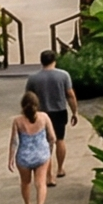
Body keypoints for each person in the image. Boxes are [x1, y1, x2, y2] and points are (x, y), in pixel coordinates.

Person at [23, 49, 81, 184]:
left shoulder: (33, 78)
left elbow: (28, 99)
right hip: (59, 111)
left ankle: (49, 176)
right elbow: (70, 95)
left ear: (41, 61)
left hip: (41, 113)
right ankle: (60, 168)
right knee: (60, 140)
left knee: (45, 144)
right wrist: (74, 112)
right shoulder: (63, 75)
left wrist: (26, 115)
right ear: (54, 60)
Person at [10, 91, 54, 204]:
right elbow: (52, 137)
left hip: (24, 156)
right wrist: (49, 150)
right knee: (41, 183)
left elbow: (14, 141)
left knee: (25, 182)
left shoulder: (17, 121)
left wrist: (10, 158)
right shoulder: (44, 117)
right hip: (41, 154)